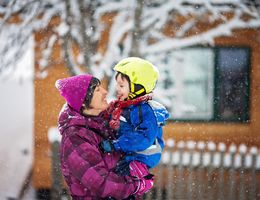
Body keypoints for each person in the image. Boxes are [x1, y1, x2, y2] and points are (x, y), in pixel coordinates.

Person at [55, 74, 154, 200]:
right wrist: (136, 185)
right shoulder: (75, 137)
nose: (105, 91)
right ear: (83, 102)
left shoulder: (102, 123)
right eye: (97, 90)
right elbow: (101, 183)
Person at [100, 57, 169, 175]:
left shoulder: (145, 110)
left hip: (141, 158)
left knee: (120, 182)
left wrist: (116, 145)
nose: (117, 88)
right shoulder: (125, 107)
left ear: (137, 88)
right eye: (117, 84)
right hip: (128, 154)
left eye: (121, 86)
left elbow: (143, 137)